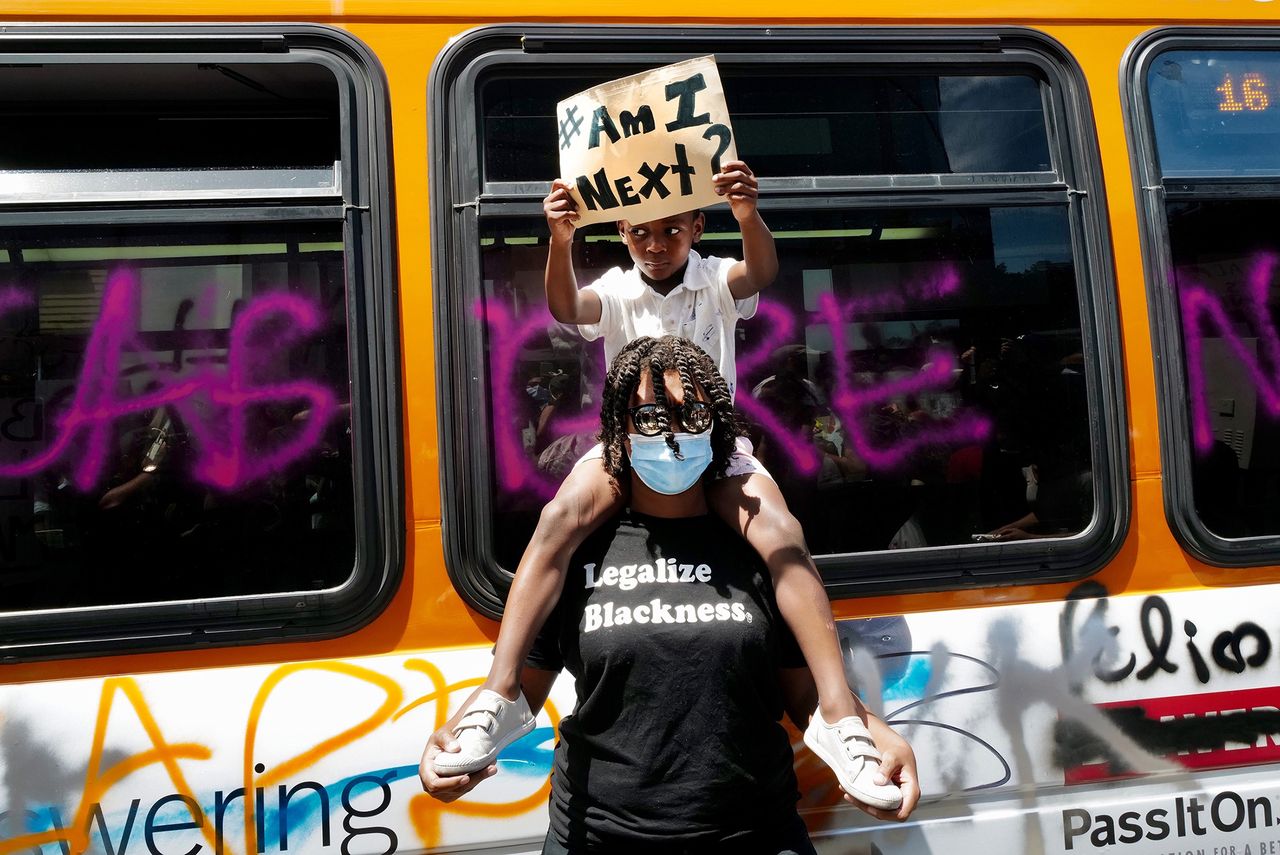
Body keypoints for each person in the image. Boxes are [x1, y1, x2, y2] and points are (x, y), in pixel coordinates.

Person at [437, 159, 887, 802]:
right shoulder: (618, 287)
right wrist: (561, 240)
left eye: (672, 231)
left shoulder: (715, 277)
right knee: (556, 523)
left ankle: (840, 717)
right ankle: (501, 694)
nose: (656, 245)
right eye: (642, 233)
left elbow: (759, 271)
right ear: (621, 231)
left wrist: (749, 215)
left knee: (783, 534)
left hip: (714, 440)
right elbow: (566, 305)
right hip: (628, 441)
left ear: (698, 225)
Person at [421, 336, 920, 852]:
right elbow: (527, 683)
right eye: (652, 418)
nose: (674, 435)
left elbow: (800, 692)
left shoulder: (754, 546)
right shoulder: (580, 548)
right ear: (622, 428)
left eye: (692, 415)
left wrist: (869, 729)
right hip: (598, 835)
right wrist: (455, 738)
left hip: (755, 833)